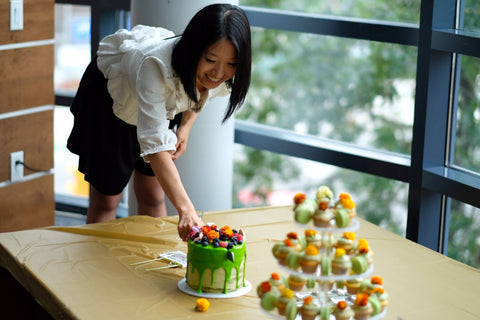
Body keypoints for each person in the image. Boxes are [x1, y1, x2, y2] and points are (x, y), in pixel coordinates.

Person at [66, 4, 251, 241]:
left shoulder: (221, 74)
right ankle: (93, 267)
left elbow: (200, 91)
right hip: (113, 99)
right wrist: (187, 210)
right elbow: (155, 146)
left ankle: (156, 255)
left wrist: (185, 128)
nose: (218, 72)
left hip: (158, 102)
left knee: (153, 194)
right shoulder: (156, 66)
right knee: (107, 198)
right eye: (210, 59)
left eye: (231, 64)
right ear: (195, 50)